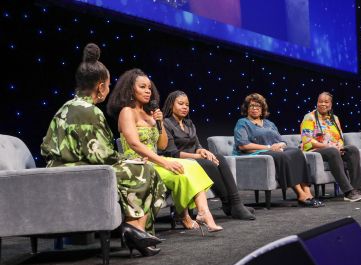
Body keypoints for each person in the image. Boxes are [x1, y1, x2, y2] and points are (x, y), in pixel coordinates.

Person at [41, 43, 165, 257]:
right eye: (108, 85)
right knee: (145, 171)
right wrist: (127, 160)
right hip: (76, 172)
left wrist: (126, 160)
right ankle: (135, 230)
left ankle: (136, 231)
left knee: (145, 169)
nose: (109, 89)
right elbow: (102, 156)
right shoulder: (89, 112)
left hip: (70, 168)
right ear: (100, 87)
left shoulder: (68, 106)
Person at [107, 68, 223, 233]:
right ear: (130, 89)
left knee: (192, 165)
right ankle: (184, 216)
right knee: (179, 174)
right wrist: (165, 163)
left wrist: (159, 124)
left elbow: (161, 146)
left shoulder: (150, 114)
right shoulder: (127, 112)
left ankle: (204, 213)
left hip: (155, 160)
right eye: (142, 87)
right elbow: (134, 144)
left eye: (149, 87)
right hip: (138, 164)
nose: (148, 91)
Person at [161, 90, 255, 220]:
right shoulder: (166, 123)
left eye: (187, 105)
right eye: (181, 104)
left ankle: (235, 203)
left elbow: (197, 145)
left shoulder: (189, 123)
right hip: (179, 161)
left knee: (219, 158)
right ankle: (230, 204)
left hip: (193, 158)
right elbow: (172, 152)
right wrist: (199, 156)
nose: (184, 107)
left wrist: (202, 151)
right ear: (171, 105)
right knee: (208, 163)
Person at [233, 93, 323, 208]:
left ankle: (308, 194)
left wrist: (279, 144)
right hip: (254, 153)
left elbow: (282, 141)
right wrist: (269, 147)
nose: (255, 109)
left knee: (296, 152)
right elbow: (243, 145)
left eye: (258, 106)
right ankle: (300, 195)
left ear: (262, 109)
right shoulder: (242, 123)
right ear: (247, 109)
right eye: (252, 106)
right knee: (282, 156)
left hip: (273, 150)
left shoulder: (269, 123)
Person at [300, 92, 361, 202]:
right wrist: (329, 146)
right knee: (332, 151)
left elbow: (340, 138)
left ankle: (357, 189)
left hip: (332, 150)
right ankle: (348, 192)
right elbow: (307, 140)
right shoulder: (309, 117)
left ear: (331, 104)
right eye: (320, 102)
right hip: (314, 150)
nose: (323, 104)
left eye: (326, 102)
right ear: (317, 103)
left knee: (352, 149)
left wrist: (339, 146)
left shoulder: (334, 118)